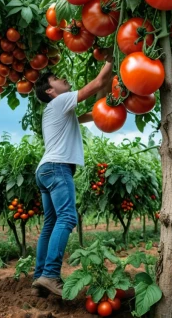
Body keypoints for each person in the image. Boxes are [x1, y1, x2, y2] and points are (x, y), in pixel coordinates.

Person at [32, 58, 113, 297]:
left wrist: (109, 83)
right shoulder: (60, 102)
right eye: (56, 78)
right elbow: (97, 82)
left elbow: (96, 111)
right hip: (57, 168)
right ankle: (50, 274)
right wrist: (110, 57)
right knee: (66, 218)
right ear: (50, 91)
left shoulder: (58, 111)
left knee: (50, 224)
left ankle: (40, 278)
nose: (63, 79)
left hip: (45, 170)